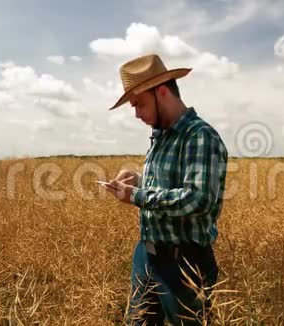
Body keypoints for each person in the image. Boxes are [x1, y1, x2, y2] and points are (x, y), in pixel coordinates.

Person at [103, 54, 228, 325]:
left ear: (162, 92)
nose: (136, 114)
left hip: (185, 264)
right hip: (146, 255)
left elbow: (197, 199)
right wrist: (137, 179)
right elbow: (168, 185)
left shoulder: (200, 136)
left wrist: (136, 196)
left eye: (140, 104)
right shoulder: (161, 135)